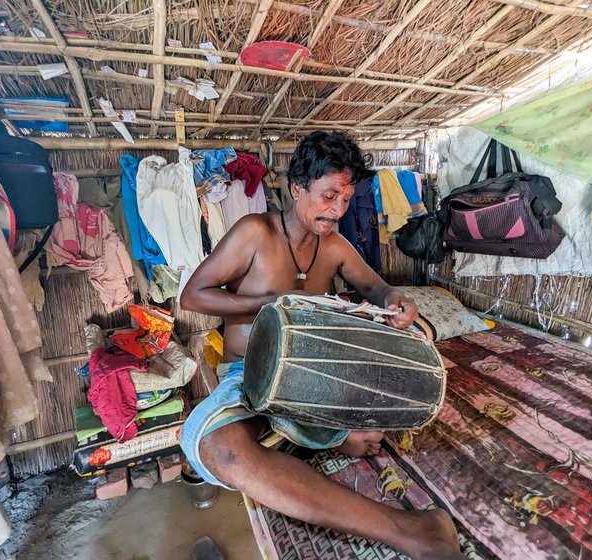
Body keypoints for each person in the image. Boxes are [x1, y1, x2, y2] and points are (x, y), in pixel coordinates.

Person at [179, 131, 460, 558]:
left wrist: (397, 300)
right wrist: (268, 304)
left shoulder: (335, 247)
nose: (338, 209)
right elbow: (192, 295)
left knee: (377, 430)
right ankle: (411, 530)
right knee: (220, 448)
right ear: (297, 189)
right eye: (329, 195)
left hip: (317, 376)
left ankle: (314, 435)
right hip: (249, 375)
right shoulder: (255, 232)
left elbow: (376, 287)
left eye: (346, 199)